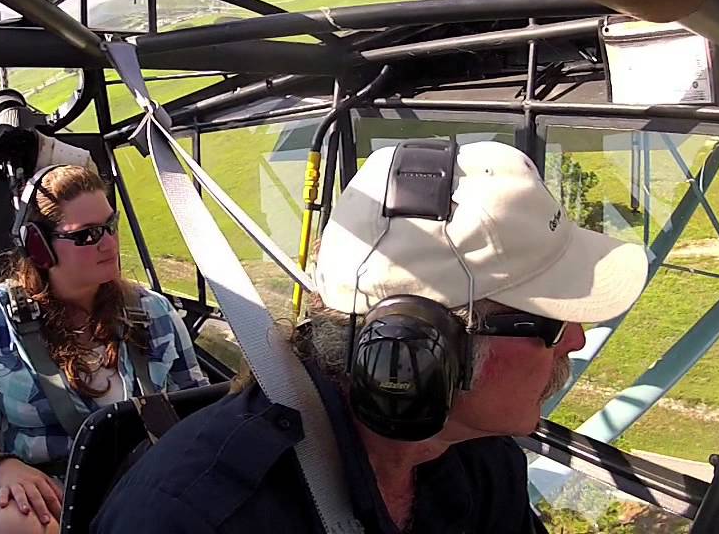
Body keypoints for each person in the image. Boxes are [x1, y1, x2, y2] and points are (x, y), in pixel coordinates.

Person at [94, 140, 649, 533]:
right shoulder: (191, 516)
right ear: (426, 351)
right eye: (550, 322)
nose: (576, 341)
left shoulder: (481, 459)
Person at [0, 164, 208, 534]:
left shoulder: (154, 311)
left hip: (149, 482)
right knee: (10, 522)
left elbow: (198, 409)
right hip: (52, 492)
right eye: (86, 235)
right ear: (39, 247)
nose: (109, 243)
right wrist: (4, 467)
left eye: (110, 226)